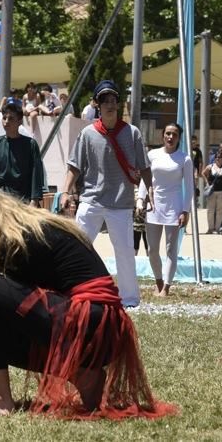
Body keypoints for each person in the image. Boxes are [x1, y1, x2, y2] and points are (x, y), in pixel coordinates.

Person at [0, 191, 176, 419]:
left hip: (91, 321)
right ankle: (82, 372)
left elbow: (19, 307)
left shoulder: (20, 239)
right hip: (102, 327)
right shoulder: (32, 229)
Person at [61, 80, 153, 308]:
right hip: (91, 200)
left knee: (124, 252)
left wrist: (148, 191)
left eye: (113, 100)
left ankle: (130, 299)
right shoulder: (88, 134)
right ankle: (69, 291)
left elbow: (144, 167)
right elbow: (74, 166)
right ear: (97, 105)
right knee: (78, 247)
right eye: (105, 100)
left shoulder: (132, 133)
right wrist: (65, 191)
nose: (110, 105)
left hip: (121, 202)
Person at [138, 123, 193, 296]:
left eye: (174, 134)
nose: (170, 137)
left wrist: (185, 211)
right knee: (152, 249)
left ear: (179, 138)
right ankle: (158, 281)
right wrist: (141, 199)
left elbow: (189, 188)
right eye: (168, 133)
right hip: (154, 207)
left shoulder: (185, 159)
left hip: (174, 207)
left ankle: (167, 287)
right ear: (163, 135)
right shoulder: (153, 155)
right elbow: (144, 179)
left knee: (171, 249)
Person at [0, 98, 46, 206]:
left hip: (25, 202)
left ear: (19, 122)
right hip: (2, 202)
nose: (6, 122)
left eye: (11, 118)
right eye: (4, 118)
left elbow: (36, 174)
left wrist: (34, 201)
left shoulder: (31, 144)